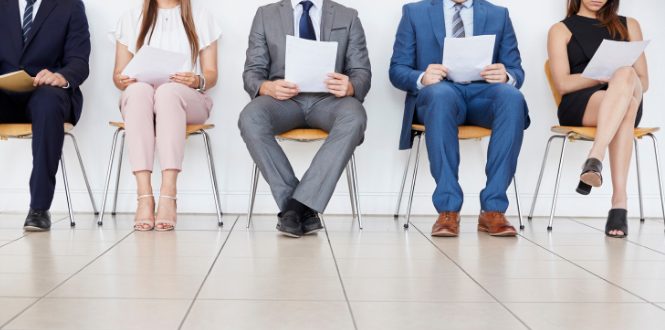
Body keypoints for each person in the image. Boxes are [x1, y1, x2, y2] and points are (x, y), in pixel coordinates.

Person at [390, 0, 530, 237]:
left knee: (512, 97)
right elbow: (397, 69)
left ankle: (493, 209)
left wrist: (506, 75)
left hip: (482, 95)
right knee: (441, 94)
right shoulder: (414, 12)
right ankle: (448, 209)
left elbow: (516, 70)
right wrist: (422, 76)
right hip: (439, 95)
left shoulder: (499, 15)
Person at [239, 0, 371, 238]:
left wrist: (351, 87)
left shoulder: (347, 16)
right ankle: (303, 207)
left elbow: (361, 72)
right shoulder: (265, 14)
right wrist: (267, 87)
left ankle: (294, 209)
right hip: (283, 101)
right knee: (251, 117)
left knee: (354, 115)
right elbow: (252, 72)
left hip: (330, 101)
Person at [0, 0, 91, 231]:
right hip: (4, 95)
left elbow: (79, 61)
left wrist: (61, 77)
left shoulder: (70, 5)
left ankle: (39, 208)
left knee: (47, 100)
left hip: (47, 95)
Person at [111, 0, 220, 231]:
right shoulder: (131, 17)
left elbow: (210, 74)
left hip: (188, 100)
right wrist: (124, 79)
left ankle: (168, 195)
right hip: (142, 101)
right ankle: (144, 196)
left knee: (167, 91)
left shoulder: (201, 17)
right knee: (138, 89)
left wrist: (197, 80)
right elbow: (118, 76)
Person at [548, 0, 647, 237]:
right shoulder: (560, 29)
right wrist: (604, 76)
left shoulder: (629, 26)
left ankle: (595, 157)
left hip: (626, 95)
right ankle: (619, 204)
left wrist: (619, 79)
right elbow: (563, 84)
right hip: (583, 103)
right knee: (627, 103)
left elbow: (643, 81)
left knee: (627, 77)